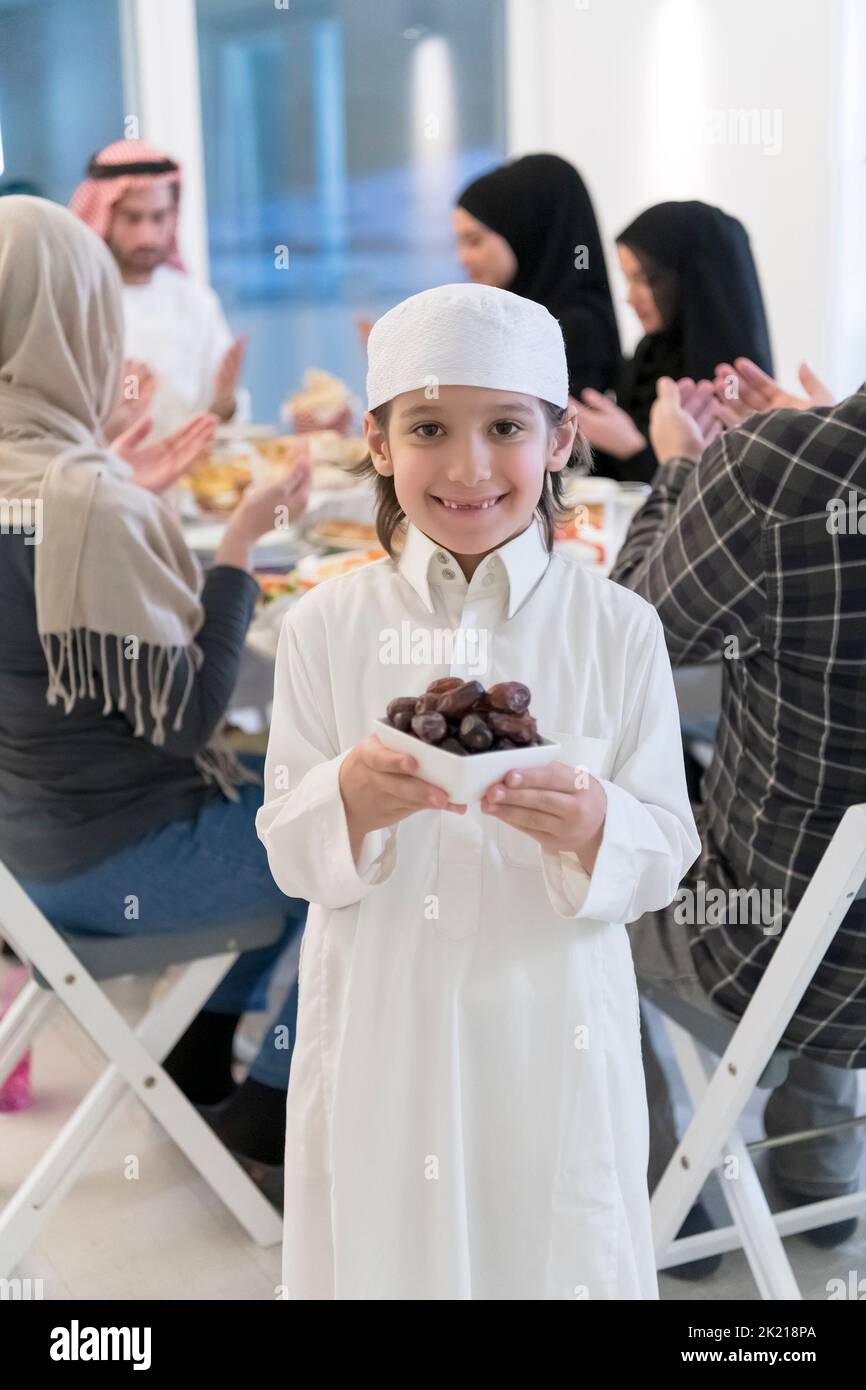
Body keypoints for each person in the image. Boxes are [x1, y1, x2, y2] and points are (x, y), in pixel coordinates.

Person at [256, 281, 701, 1300]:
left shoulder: (616, 628)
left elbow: (666, 844)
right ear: (377, 444)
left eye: (504, 426)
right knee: (384, 1250)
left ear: (558, 442)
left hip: (550, 1018)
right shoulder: (325, 626)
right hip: (381, 1013)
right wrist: (350, 804)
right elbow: (285, 839)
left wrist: (596, 827)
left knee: (548, 1241)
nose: (467, 466)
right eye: (428, 427)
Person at [0, 196, 311, 1202]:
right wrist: (234, 554)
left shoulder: (60, 489)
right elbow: (188, 718)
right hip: (112, 866)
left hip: (25, 860)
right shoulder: (80, 501)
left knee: (297, 788)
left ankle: (198, 1043)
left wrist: (122, 497)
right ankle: (267, 1106)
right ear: (80, 323)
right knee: (366, 844)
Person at [610, 369, 866, 1278]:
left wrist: (684, 470)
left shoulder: (773, 470)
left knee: (570, 880)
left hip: (760, 947)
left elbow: (625, 644)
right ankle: (818, 1166)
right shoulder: (791, 465)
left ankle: (655, 1194)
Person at [580, 200, 773, 484]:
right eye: (627, 280)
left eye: (646, 280)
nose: (630, 298)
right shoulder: (648, 354)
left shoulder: (734, 384)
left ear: (694, 281)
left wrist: (633, 448)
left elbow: (719, 494)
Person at [69, 140, 246, 442]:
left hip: (187, 481)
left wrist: (224, 406)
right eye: (132, 218)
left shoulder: (195, 301)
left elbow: (218, 419)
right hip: (102, 483)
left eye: (159, 217)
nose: (147, 236)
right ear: (103, 216)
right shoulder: (75, 303)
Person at [453, 153, 621, 401]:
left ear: (524, 235)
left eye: (474, 241)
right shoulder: (515, 320)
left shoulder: (574, 328)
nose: (462, 258)